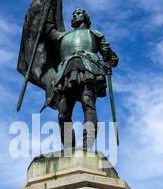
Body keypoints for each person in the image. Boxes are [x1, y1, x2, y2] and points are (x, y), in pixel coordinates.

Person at [45, 8, 118, 150]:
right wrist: (47, 7)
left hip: (89, 70)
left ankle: (87, 145)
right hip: (65, 72)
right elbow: (48, 31)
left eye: (78, 13)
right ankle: (68, 146)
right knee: (62, 114)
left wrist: (109, 59)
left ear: (85, 17)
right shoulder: (62, 36)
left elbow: (110, 58)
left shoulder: (94, 34)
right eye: (73, 14)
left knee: (87, 102)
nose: (75, 15)